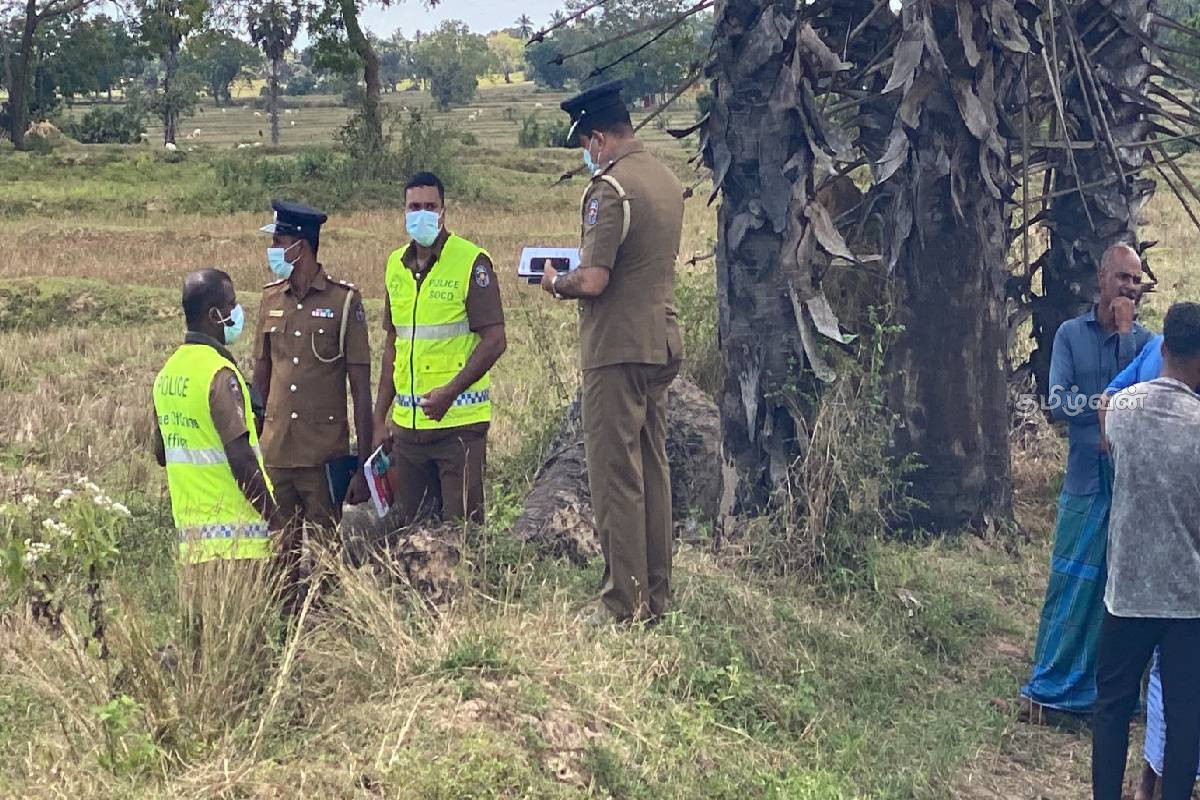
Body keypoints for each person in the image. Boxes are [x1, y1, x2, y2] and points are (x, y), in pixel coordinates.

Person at [541, 80, 685, 624]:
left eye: (586, 144)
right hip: (660, 341)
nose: (587, 154)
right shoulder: (666, 179)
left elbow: (595, 279)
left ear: (598, 137)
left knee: (615, 476)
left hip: (616, 349)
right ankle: (657, 596)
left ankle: (621, 603)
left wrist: (556, 282)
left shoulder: (610, 189)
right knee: (653, 470)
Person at [1021, 243, 1151, 721]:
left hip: (1127, 484)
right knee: (1070, 584)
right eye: (1122, 278)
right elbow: (1057, 403)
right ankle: (1053, 682)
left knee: (1116, 590)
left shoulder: (1145, 343)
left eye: (1137, 281)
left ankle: (1106, 693)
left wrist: (1123, 338)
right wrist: (1103, 408)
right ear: (1101, 279)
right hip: (1083, 479)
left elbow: (1143, 403)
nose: (1129, 289)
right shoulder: (1071, 336)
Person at [1092, 301, 1200, 800]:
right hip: (1186, 596)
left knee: (1112, 706)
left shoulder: (1124, 406)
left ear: (1163, 348)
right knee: (1184, 719)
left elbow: (1108, 434)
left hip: (1127, 589)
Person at [251, 200, 372, 607]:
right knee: (278, 557)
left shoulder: (344, 303)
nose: (273, 251)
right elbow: (261, 379)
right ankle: (283, 626)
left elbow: (360, 388)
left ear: (299, 248)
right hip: (277, 453)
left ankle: (321, 632)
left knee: (324, 560)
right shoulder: (270, 301)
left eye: (279, 241)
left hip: (323, 457)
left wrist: (361, 464)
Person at [371, 172, 506, 526]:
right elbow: (393, 346)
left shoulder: (471, 261)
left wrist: (450, 392)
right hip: (408, 434)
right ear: (402, 211)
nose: (422, 214)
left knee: (462, 535)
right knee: (416, 537)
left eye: (430, 207)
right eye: (414, 207)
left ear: (444, 211)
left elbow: (495, 340)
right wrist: (379, 417)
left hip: (458, 430)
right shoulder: (394, 266)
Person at [152, 268, 280, 565]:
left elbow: (161, 452)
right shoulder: (218, 374)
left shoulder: (167, 374)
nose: (237, 312)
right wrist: (275, 520)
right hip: (238, 546)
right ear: (214, 315)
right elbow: (241, 460)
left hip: (192, 545)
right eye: (231, 305)